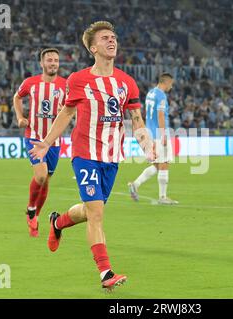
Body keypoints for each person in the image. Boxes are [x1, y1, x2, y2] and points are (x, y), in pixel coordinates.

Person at [29, 21, 155, 291]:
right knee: (97, 214)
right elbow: (66, 113)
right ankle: (105, 272)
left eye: (114, 37)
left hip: (112, 157)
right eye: (105, 38)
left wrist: (147, 145)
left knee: (89, 211)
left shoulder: (127, 82)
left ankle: (57, 222)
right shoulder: (78, 80)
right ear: (93, 47)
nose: (112, 41)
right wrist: (46, 143)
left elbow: (136, 119)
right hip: (85, 154)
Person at [13, 48, 66, 237]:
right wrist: (20, 117)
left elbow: (72, 109)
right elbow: (17, 97)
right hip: (34, 136)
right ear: (42, 64)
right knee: (41, 176)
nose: (53, 63)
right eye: (49, 60)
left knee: (46, 182)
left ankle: (34, 215)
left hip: (54, 141)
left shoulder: (65, 86)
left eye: (56, 60)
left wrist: (66, 110)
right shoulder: (31, 83)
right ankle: (30, 209)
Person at [128, 73, 178, 204]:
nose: (171, 87)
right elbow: (160, 115)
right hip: (159, 134)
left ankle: (135, 184)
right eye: (171, 84)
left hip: (150, 133)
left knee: (156, 165)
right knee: (164, 163)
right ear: (166, 82)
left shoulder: (150, 93)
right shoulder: (161, 95)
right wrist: (163, 135)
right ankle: (163, 197)